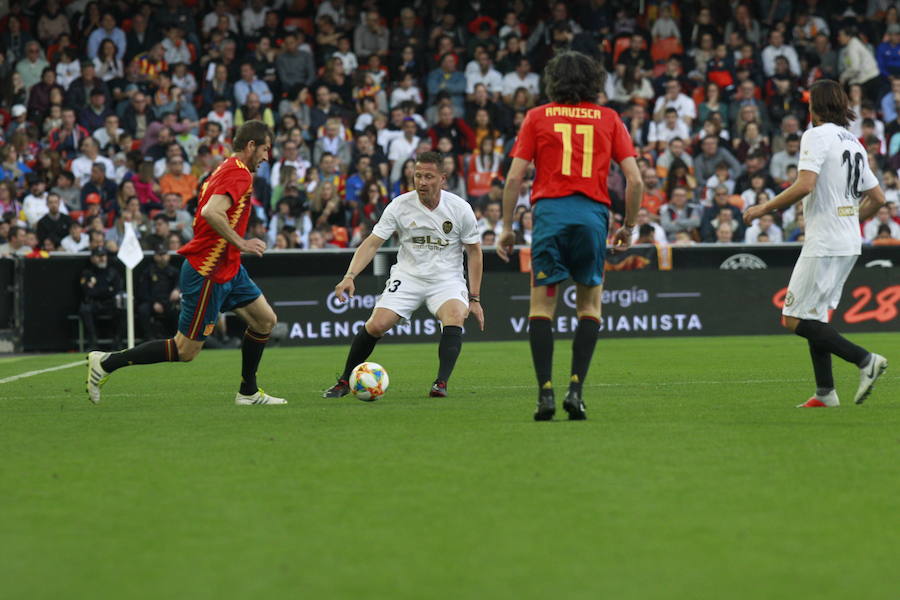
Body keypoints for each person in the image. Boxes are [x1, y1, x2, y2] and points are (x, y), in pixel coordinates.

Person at [86, 121, 285, 406]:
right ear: (251, 146)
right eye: (265, 149)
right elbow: (211, 212)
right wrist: (241, 243)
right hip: (208, 270)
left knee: (265, 320)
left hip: (228, 267)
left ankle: (248, 392)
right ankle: (106, 362)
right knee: (185, 350)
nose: (267, 157)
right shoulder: (239, 174)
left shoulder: (226, 167)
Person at [498, 51, 642, 421]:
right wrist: (627, 226)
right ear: (594, 82)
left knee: (542, 308)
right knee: (589, 308)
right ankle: (575, 391)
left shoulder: (537, 116)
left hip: (549, 218)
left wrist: (507, 226)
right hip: (592, 218)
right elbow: (635, 180)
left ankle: (545, 393)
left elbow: (514, 178)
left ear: (553, 81)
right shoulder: (609, 118)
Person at [742, 80, 888, 408]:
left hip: (825, 241)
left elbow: (805, 184)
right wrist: (851, 220)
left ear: (813, 107)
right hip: (849, 240)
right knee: (815, 317)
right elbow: (877, 198)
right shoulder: (854, 141)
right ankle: (826, 392)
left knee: (792, 318)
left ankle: (865, 360)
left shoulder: (815, 135)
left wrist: (763, 207)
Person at [321, 151, 484, 399]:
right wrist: (350, 276)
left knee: (454, 316)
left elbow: (474, 253)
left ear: (443, 179)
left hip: (446, 279)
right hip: (408, 276)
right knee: (376, 325)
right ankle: (344, 380)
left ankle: (441, 383)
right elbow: (372, 243)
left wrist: (475, 299)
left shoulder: (460, 209)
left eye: (429, 176)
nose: (422, 182)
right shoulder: (399, 205)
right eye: (417, 176)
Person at [79, 247, 124, 350]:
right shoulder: (87, 272)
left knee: (123, 308)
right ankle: (92, 342)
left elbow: (117, 290)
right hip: (94, 303)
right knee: (85, 309)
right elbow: (86, 291)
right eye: (98, 256)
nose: (102, 258)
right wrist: (107, 290)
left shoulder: (112, 272)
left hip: (110, 303)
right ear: (92, 258)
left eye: (103, 256)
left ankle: (117, 341)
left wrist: (99, 291)